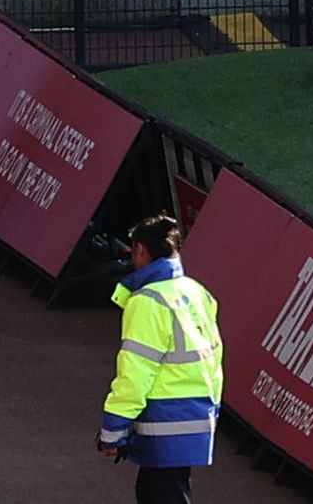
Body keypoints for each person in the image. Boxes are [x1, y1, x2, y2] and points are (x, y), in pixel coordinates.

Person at [99, 213, 225, 504]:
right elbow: (215, 356)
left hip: (165, 419)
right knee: (162, 491)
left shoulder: (147, 300)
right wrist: (212, 409)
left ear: (141, 250)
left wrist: (113, 430)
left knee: (159, 494)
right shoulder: (198, 293)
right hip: (197, 413)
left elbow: (135, 373)